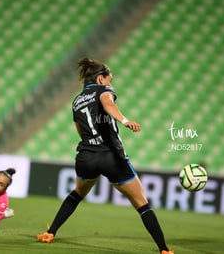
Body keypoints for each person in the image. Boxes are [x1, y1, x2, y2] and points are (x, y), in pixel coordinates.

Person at [36, 58, 174, 254]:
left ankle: (50, 233)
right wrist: (125, 120)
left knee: (77, 194)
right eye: (109, 80)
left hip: (86, 157)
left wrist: (91, 145)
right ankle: (164, 250)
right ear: (100, 79)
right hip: (110, 156)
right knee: (141, 203)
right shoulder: (104, 91)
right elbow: (108, 104)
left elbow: (80, 131)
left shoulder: (76, 101)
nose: (110, 84)